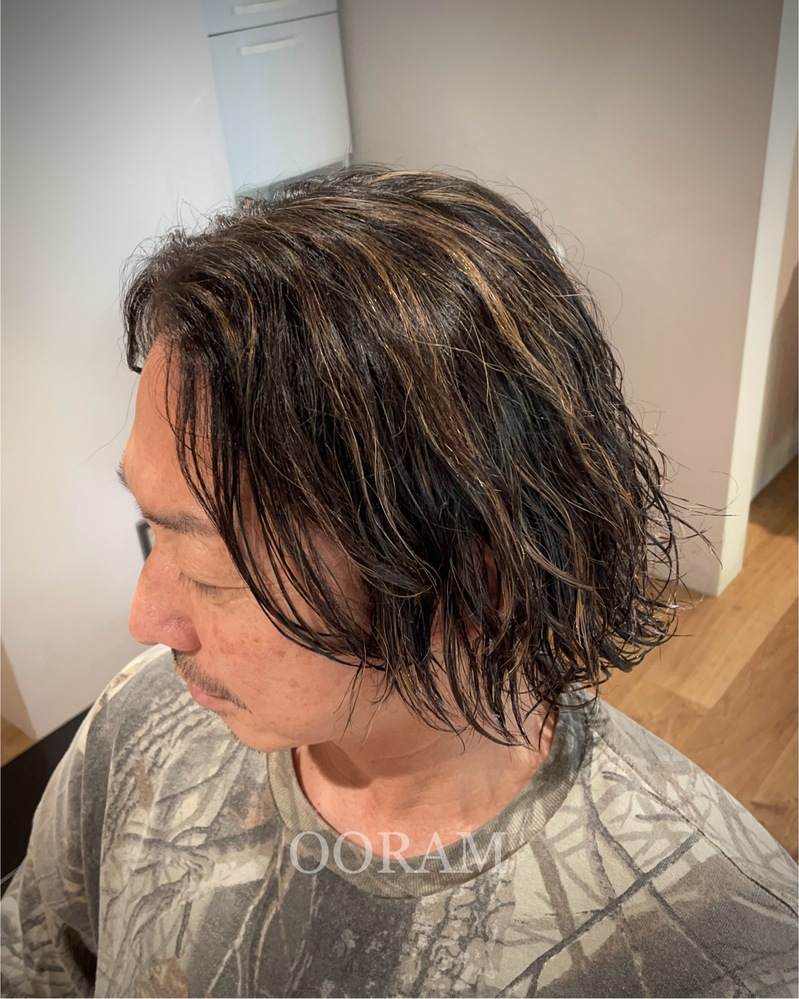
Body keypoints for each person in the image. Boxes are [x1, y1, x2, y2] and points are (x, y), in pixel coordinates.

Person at [1, 167, 796, 999]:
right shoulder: (138, 719)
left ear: (477, 576)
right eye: (151, 528)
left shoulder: (720, 949)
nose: (145, 618)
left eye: (208, 568)